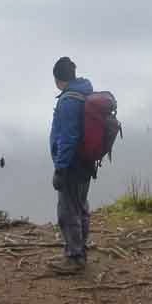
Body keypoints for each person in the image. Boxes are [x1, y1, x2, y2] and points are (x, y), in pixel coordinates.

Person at [49, 56, 94, 273]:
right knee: (80, 206)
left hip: (72, 164)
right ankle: (80, 250)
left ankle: (74, 258)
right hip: (86, 162)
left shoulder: (68, 101)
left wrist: (60, 168)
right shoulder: (85, 92)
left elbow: (68, 138)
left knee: (68, 211)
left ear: (58, 79)